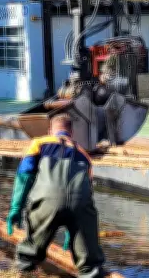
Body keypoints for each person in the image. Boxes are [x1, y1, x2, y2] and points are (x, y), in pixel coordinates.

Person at [6, 114, 106, 278]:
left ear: (50, 130)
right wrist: (74, 228)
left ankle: (24, 270)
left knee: (30, 252)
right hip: (81, 206)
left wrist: (16, 208)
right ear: (71, 133)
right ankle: (89, 271)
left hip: (46, 202)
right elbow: (87, 193)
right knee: (89, 265)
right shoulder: (85, 155)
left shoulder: (39, 143)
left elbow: (24, 176)